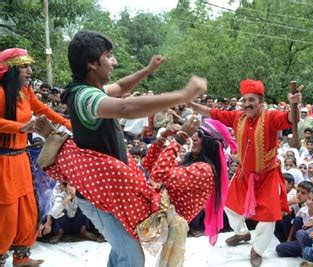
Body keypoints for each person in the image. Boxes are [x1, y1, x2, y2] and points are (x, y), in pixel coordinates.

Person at [38, 30, 206, 267]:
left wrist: (148, 70)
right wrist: (182, 95)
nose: (114, 62)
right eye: (109, 56)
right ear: (92, 64)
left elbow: (121, 87)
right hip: (99, 196)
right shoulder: (85, 97)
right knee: (132, 255)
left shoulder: (87, 89)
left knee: (122, 251)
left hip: (107, 191)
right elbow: (125, 108)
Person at [189, 79, 301, 266]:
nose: (247, 104)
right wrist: (191, 103)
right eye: (245, 100)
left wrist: (293, 104)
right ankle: (242, 233)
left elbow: (291, 118)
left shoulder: (270, 117)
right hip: (244, 175)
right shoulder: (237, 117)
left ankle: (257, 250)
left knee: (268, 218)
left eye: (252, 100)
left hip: (267, 176)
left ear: (261, 103)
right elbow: (212, 113)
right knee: (229, 206)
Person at [0, 48, 71, 267]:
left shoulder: (25, 92)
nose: (30, 71)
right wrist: (20, 127)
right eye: (24, 67)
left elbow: (43, 110)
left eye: (29, 66)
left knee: (28, 210)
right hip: (3, 161)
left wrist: (70, 123)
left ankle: (21, 258)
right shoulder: (2, 93)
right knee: (8, 215)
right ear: (10, 70)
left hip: (21, 160)